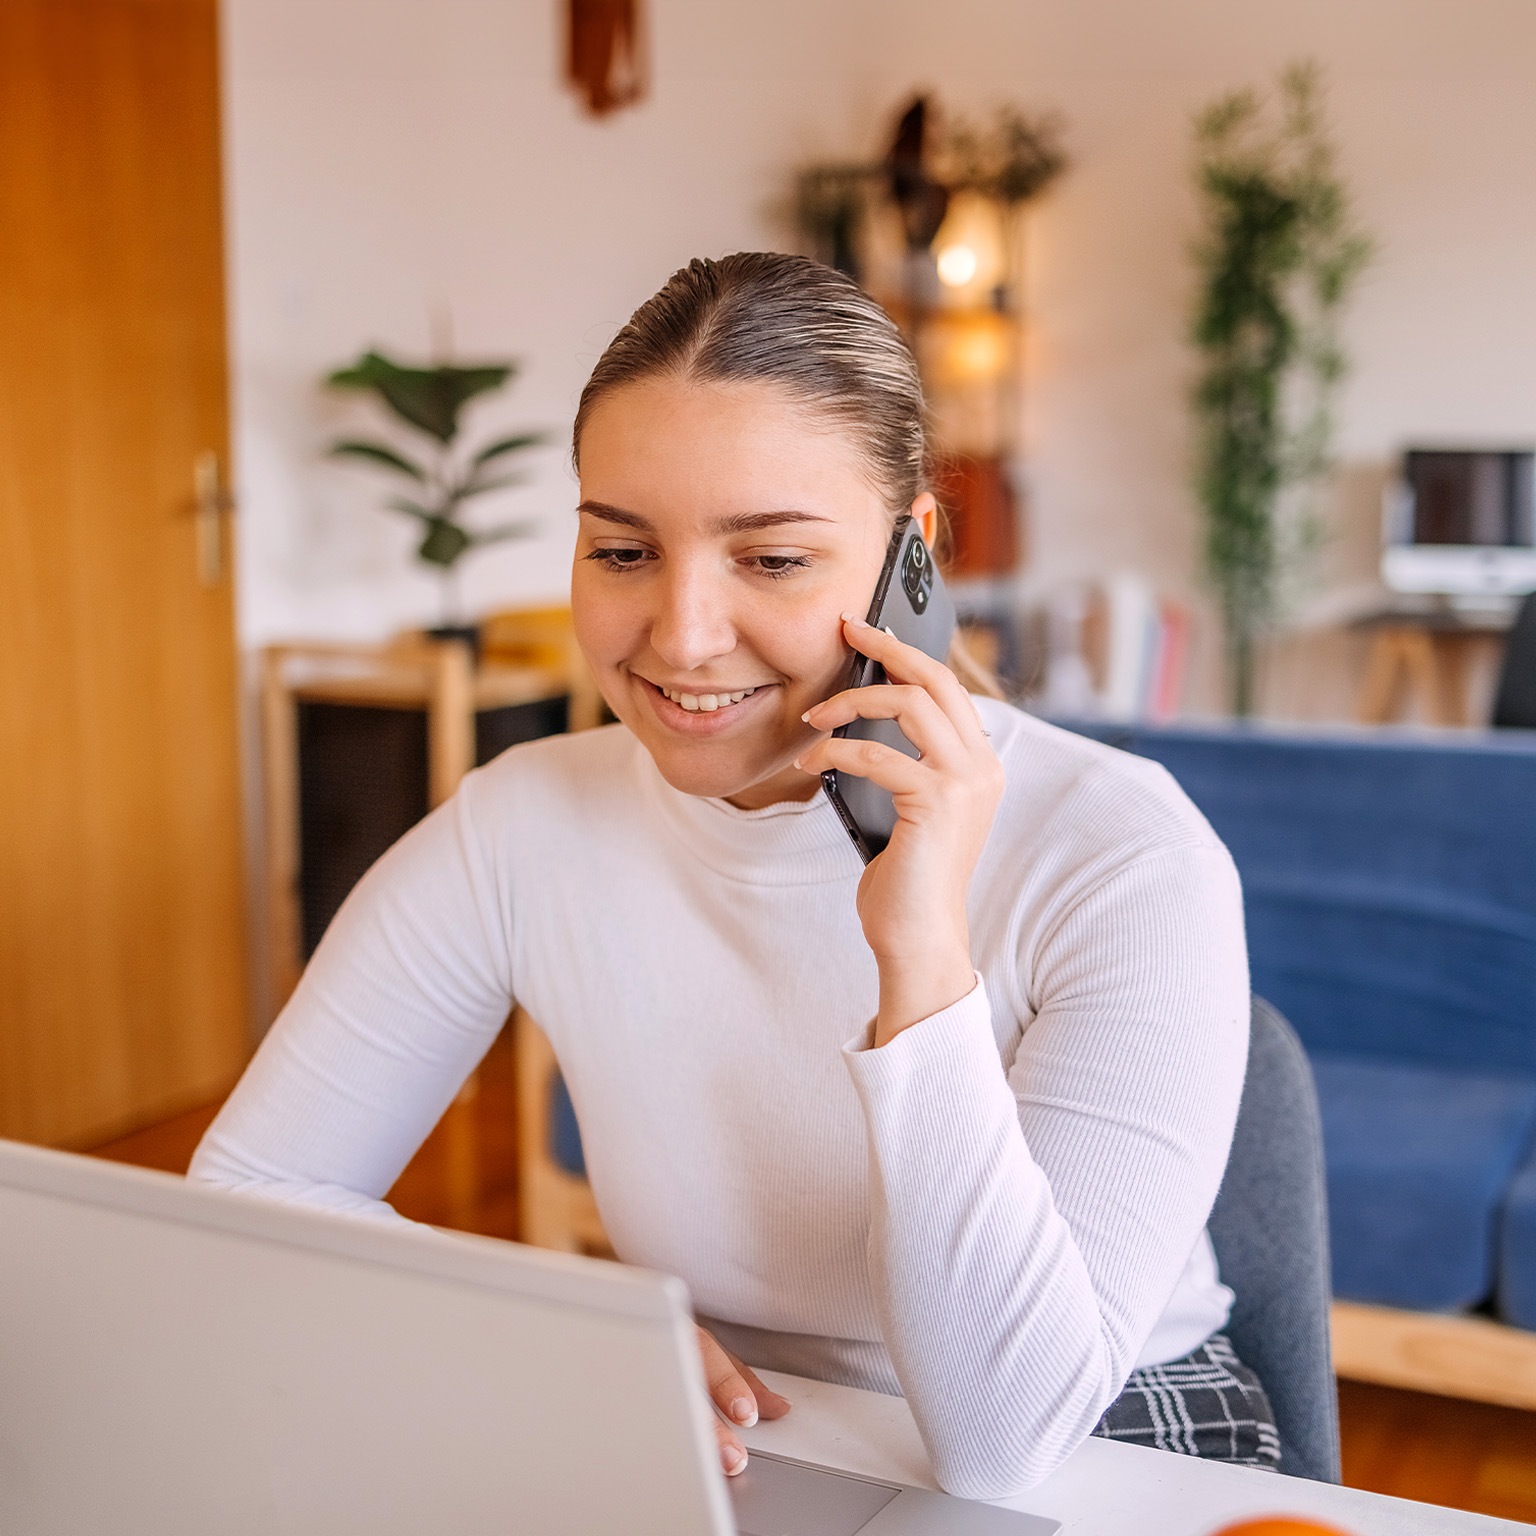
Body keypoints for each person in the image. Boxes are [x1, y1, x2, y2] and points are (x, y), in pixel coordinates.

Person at [191, 252, 1274, 1496]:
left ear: (909, 560)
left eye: (770, 559)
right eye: (624, 552)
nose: (683, 635)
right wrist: (565, 1329)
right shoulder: (524, 824)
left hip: (1106, 1428)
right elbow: (252, 1195)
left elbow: (1006, 1440)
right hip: (732, 1423)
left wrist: (919, 955)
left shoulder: (1124, 854)